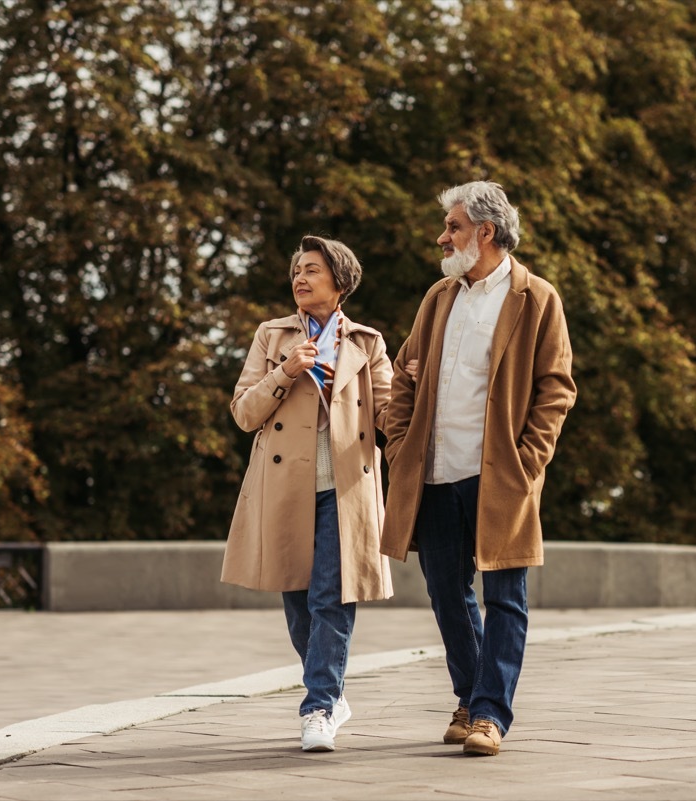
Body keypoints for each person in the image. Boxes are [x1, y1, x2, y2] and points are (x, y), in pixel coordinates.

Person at [381, 181, 577, 756]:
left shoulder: (536, 297)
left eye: (453, 228)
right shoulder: (439, 297)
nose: (443, 238)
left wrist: (528, 462)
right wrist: (399, 447)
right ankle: (470, 697)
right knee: (447, 594)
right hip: (434, 473)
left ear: (485, 232)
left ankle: (490, 715)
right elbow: (404, 376)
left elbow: (556, 388)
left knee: (505, 596)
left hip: (500, 477)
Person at [222, 235, 393, 752]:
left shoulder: (368, 343)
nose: (299, 277)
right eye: (296, 269)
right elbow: (244, 412)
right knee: (298, 602)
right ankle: (331, 690)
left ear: (340, 283)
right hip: (284, 488)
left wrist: (414, 411)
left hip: (345, 488)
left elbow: (386, 414)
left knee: (330, 599)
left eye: (312, 270)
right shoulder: (271, 336)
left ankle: (318, 706)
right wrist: (286, 371)